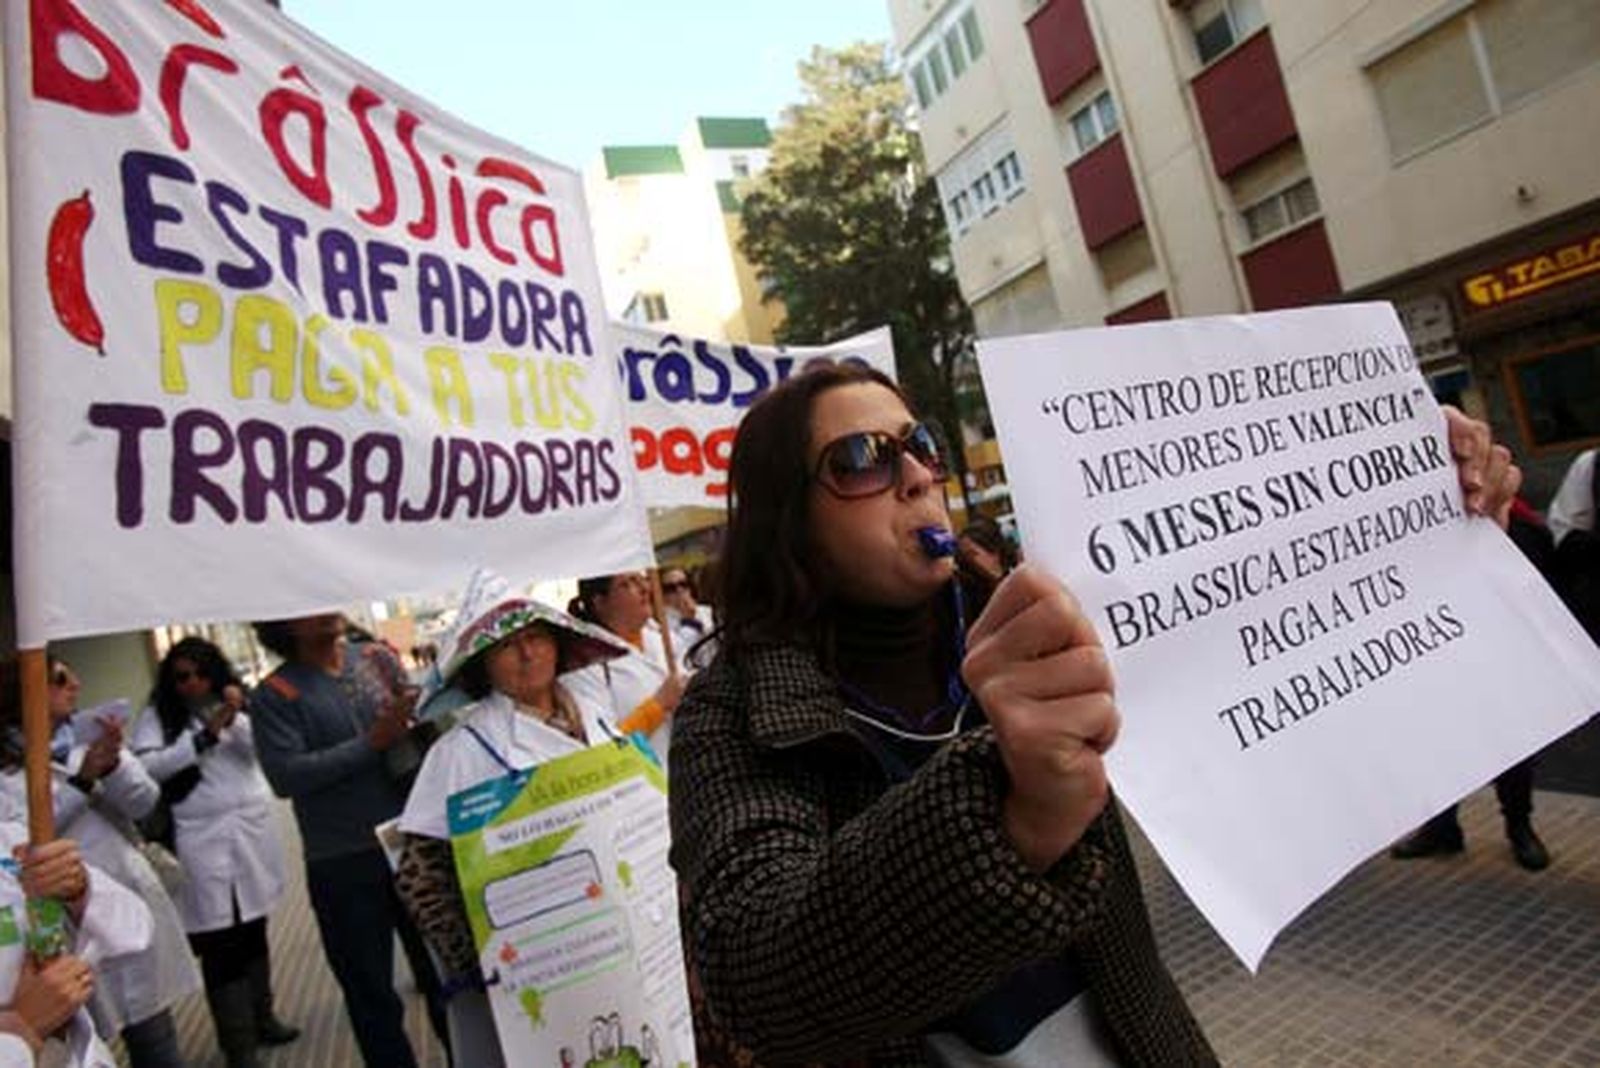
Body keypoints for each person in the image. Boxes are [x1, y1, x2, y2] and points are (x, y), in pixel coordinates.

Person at [668, 362, 1518, 1066]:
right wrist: (1008, 812)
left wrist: (1404, 484)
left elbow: (1253, 589)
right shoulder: (730, 711)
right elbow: (758, 981)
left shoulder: (1043, 613)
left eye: (917, 444)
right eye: (861, 458)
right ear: (790, 520)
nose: (919, 473)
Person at [393, 574, 630, 1067]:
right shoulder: (462, 751)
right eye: (508, 646)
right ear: (482, 664)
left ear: (557, 644)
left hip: (619, 939)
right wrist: (478, 961)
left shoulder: (597, 715)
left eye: (536, 638)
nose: (528, 655)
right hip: (538, 967)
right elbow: (422, 875)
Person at [248, 615, 447, 1068]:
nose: (326, 608)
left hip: (411, 839)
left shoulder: (375, 658)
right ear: (286, 623)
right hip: (342, 861)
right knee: (371, 995)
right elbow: (286, 776)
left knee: (445, 978)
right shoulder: (275, 694)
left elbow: (418, 722)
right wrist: (372, 743)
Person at [0, 658, 198, 1068]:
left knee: (154, 1031)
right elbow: (27, 840)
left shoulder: (90, 738)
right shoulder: (7, 775)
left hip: (108, 893)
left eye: (73, 675)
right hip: (55, 937)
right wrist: (83, 780)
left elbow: (143, 801)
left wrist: (111, 766)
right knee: (87, 1026)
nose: (75, 684)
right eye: (58, 679)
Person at [130, 639, 297, 1068]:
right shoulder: (157, 717)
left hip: (249, 832)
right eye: (182, 676)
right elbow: (147, 769)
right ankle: (238, 1046)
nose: (193, 683)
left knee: (254, 927)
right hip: (199, 837)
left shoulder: (238, 703)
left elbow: (261, 751)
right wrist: (203, 737)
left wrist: (236, 714)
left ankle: (264, 1017)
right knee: (220, 940)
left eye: (201, 673)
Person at [1390, 496, 1555, 871]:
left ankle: (1519, 826)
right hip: (1436, 642)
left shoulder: (1511, 513)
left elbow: (1537, 566)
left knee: (1512, 740)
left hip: (1500, 639)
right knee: (1439, 741)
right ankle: (1442, 827)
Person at [565, 574, 685, 765]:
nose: (644, 589)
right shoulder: (583, 665)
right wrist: (658, 705)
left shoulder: (663, 639)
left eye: (641, 579)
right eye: (627, 584)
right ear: (600, 602)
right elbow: (603, 749)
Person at [662, 567, 716, 670]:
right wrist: (689, 622)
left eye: (683, 584)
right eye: (671, 588)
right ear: (663, 595)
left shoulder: (708, 611)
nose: (679, 590)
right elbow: (681, 653)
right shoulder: (662, 626)